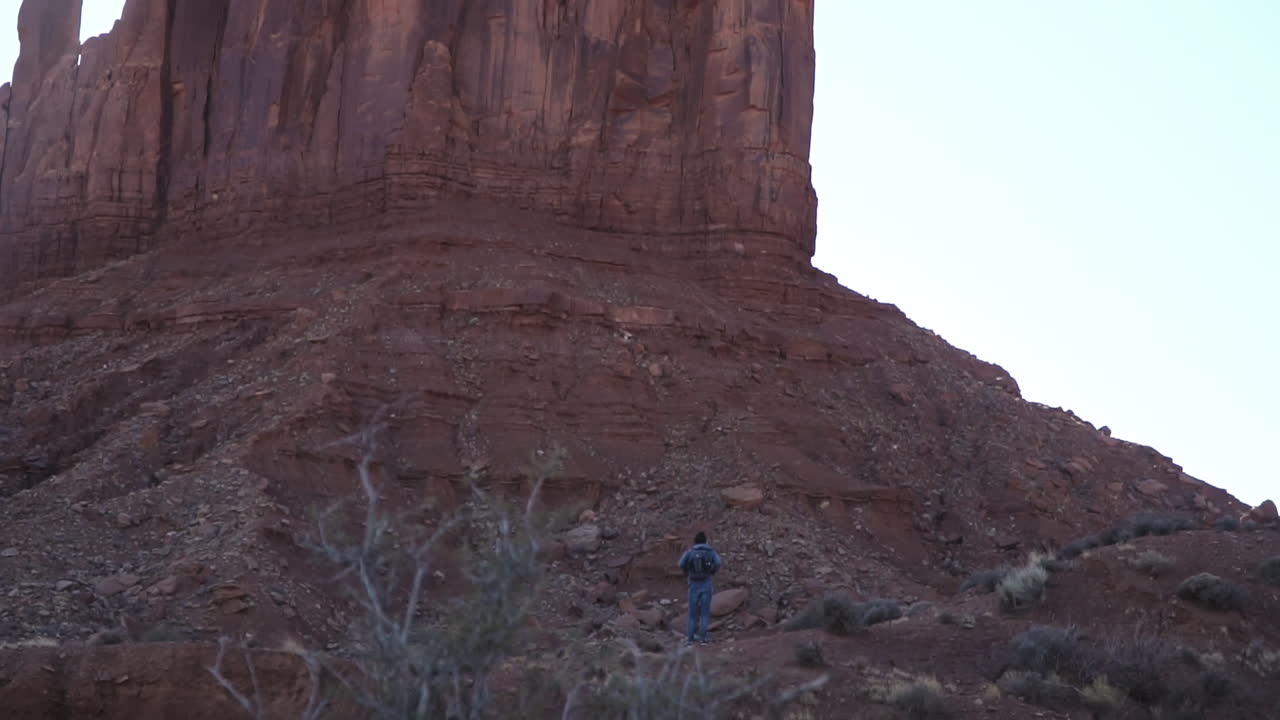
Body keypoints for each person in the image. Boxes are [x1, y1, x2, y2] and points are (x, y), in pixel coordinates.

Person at [677, 531, 723, 645]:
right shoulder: (710, 552)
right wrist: (712, 571)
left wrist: (687, 572)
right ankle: (703, 639)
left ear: (695, 541)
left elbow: (680, 563)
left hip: (693, 583)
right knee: (704, 613)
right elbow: (718, 562)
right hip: (706, 582)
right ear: (705, 541)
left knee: (692, 614)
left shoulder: (690, 552)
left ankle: (690, 640)